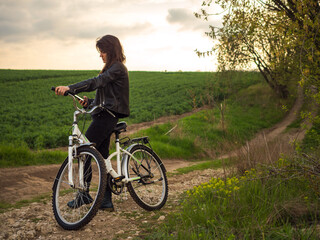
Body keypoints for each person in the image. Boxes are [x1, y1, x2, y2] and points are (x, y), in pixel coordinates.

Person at [55, 35, 130, 211]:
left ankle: (84, 193)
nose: (100, 55)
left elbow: (97, 83)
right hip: (102, 114)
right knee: (103, 158)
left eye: (102, 51)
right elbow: (103, 96)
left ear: (111, 51)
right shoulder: (109, 69)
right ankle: (106, 201)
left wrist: (71, 87)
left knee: (85, 149)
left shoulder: (117, 68)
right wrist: (90, 103)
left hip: (108, 116)